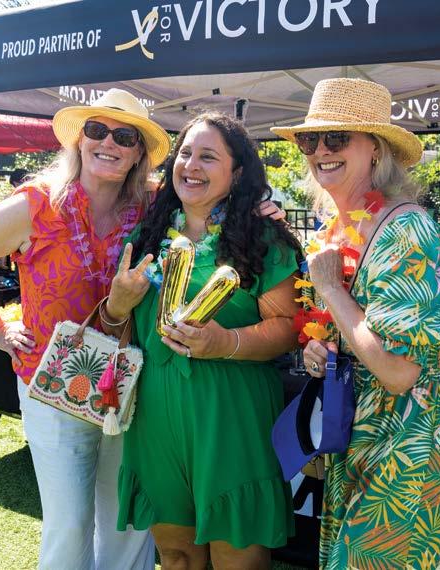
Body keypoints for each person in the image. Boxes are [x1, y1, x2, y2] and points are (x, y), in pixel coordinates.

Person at [0, 88, 171, 570]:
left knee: (126, 517)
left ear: (139, 153)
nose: (109, 143)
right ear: (79, 139)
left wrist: (260, 211)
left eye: (125, 137)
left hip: (129, 383)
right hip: (52, 387)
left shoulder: (152, 206)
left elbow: (213, 204)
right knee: (70, 524)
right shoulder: (35, 205)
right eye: (97, 130)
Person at [272, 78, 440, 569]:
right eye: (310, 140)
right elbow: (358, 334)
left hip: (410, 452)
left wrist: (332, 291)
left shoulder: (407, 231)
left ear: (376, 148)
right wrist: (322, 351)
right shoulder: (341, 229)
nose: (321, 150)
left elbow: (400, 371)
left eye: (337, 138)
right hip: (361, 442)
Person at [101, 111, 302, 569]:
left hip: (231, 417)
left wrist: (223, 343)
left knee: (237, 557)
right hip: (155, 420)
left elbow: (288, 327)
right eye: (185, 153)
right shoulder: (146, 235)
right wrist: (117, 305)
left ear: (238, 173)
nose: (191, 165)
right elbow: (118, 327)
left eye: (208, 157)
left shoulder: (262, 237)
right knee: (175, 556)